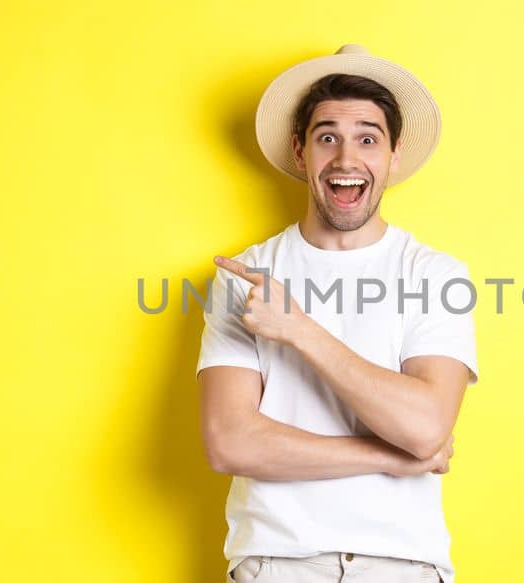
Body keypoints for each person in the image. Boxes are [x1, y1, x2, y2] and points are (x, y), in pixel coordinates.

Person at [197, 44, 478, 583]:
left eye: (367, 139)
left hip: (404, 566)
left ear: (393, 157)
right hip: (278, 564)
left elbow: (424, 429)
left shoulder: (436, 275)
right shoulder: (246, 275)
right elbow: (229, 441)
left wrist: (299, 329)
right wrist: (392, 459)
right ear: (302, 153)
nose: (347, 159)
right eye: (328, 137)